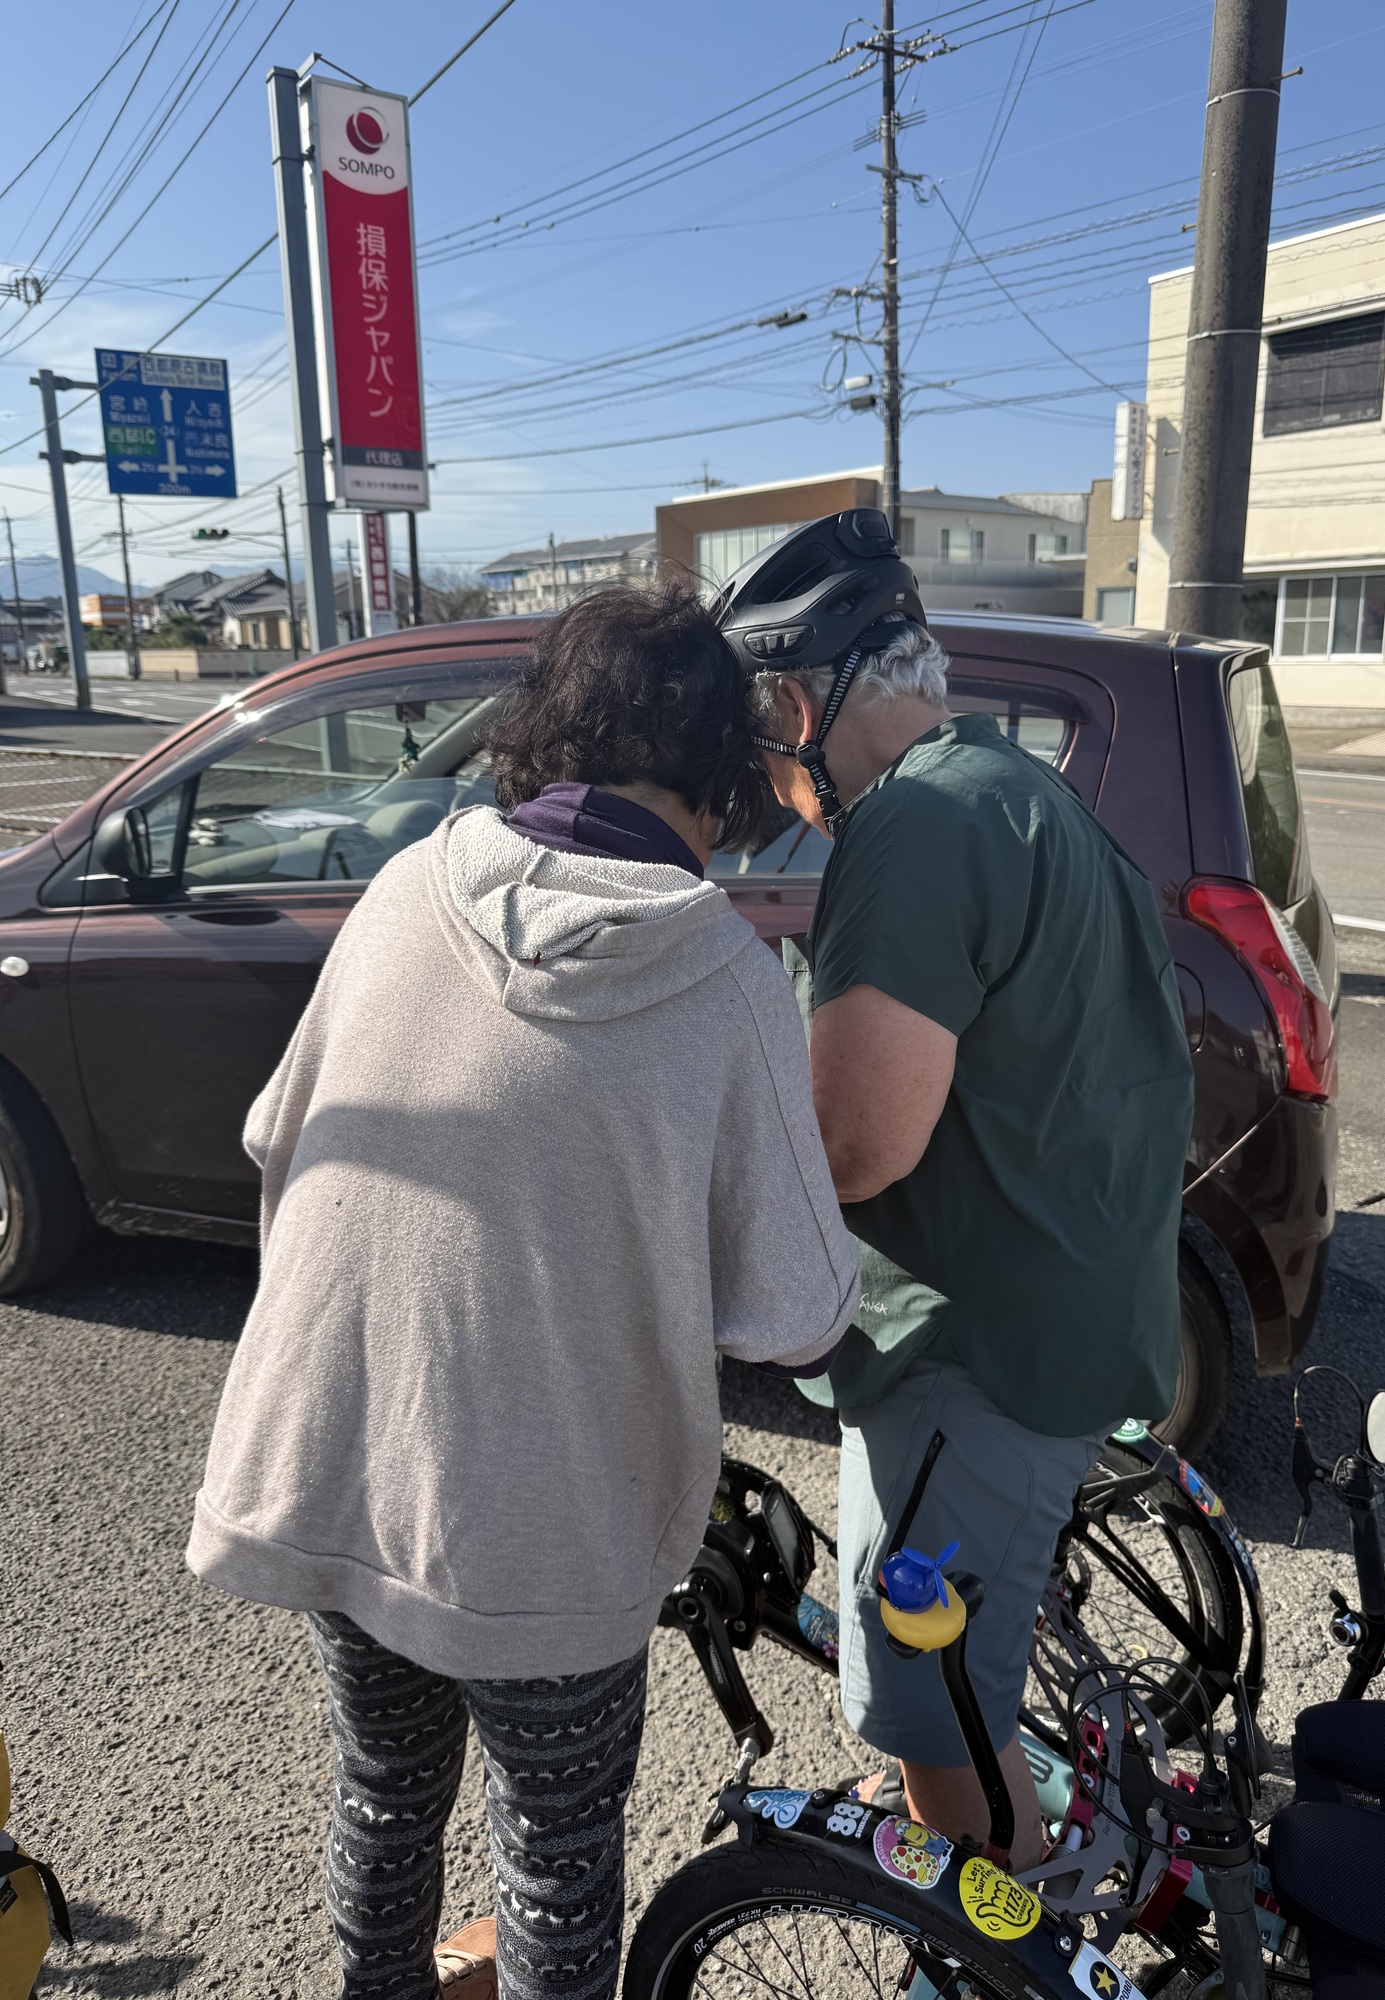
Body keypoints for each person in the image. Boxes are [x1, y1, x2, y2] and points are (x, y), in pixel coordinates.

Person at [185, 579, 860, 2000]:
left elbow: (270, 1131)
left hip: (345, 1463)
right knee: (554, 1847)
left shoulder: (401, 890)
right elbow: (799, 1311)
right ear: (719, 775)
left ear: (547, 735)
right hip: (557, 1526)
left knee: (383, 1788)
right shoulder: (724, 975)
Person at [717, 510, 1196, 1868]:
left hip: (969, 1351)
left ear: (797, 707)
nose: (773, 784)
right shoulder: (1020, 792)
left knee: (927, 1716)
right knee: (969, 1668)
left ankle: (1004, 1921)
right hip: (1069, 1305)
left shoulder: (913, 826)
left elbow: (855, 1146)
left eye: (763, 747)